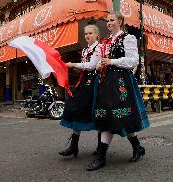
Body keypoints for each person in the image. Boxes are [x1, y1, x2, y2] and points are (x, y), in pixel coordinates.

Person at [86, 12, 150, 171]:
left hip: (121, 82)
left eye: (112, 20)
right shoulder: (104, 42)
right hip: (106, 82)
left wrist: (112, 61)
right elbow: (96, 64)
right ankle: (137, 147)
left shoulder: (128, 38)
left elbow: (133, 61)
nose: (108, 23)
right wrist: (99, 67)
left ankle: (101, 156)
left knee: (114, 116)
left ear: (120, 22)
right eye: (107, 21)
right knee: (116, 117)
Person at [59, 24, 102, 157]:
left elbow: (91, 66)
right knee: (76, 108)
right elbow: (85, 67)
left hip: (95, 82)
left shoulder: (99, 47)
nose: (87, 36)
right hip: (84, 82)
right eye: (85, 34)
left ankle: (101, 147)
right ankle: (74, 146)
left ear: (96, 35)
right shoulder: (84, 50)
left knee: (98, 112)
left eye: (90, 33)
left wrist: (73, 65)